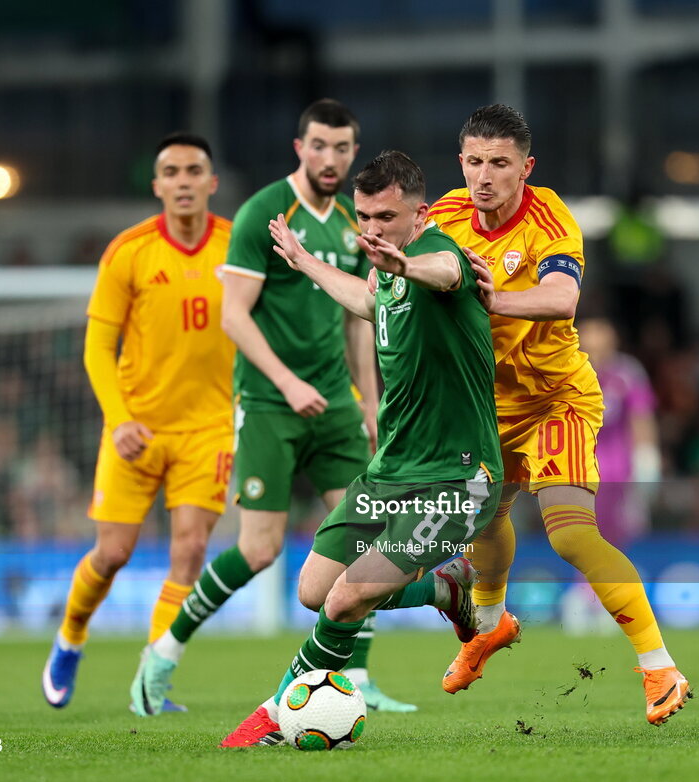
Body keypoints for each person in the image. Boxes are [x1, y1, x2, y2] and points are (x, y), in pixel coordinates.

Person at [131, 100, 411, 715]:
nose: (331, 159)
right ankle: (164, 652)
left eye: (342, 148)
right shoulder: (264, 212)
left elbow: (358, 321)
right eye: (319, 146)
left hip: (336, 402)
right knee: (260, 549)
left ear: (352, 152)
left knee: (365, 539)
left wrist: (369, 402)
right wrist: (285, 383)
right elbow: (233, 315)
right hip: (267, 402)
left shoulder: (348, 222)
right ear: (299, 147)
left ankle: (357, 681)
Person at [219, 149, 504, 747]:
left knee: (347, 598)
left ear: (419, 215)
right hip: (391, 472)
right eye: (364, 217)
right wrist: (302, 262)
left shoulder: (437, 254)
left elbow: (447, 275)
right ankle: (445, 587)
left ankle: (275, 712)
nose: (372, 230)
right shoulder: (389, 276)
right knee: (314, 591)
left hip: (457, 476)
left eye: (386, 218)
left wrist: (404, 263)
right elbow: (368, 299)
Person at [429, 105, 691, 725]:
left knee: (571, 532)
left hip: (557, 399)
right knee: (486, 526)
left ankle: (660, 668)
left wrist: (492, 296)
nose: (484, 176)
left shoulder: (548, 216)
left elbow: (562, 296)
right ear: (460, 161)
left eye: (499, 163)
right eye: (474, 161)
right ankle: (488, 627)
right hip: (483, 407)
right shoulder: (440, 218)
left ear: (526, 167)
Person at [42, 132, 235, 711]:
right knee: (113, 554)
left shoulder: (237, 246)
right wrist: (119, 418)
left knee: (190, 550)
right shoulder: (128, 251)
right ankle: (71, 634)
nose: (182, 180)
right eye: (171, 171)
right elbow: (98, 347)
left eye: (193, 170)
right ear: (157, 186)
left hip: (209, 428)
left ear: (211, 182)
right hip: (137, 427)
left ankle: (151, 679)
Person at [577, 317, 661, 549]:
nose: (596, 358)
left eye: (601, 350)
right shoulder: (565, 373)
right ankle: (584, 584)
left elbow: (641, 417)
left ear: (613, 346)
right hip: (576, 470)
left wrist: (647, 459)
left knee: (620, 534)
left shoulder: (628, 372)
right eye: (589, 350)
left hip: (618, 472)